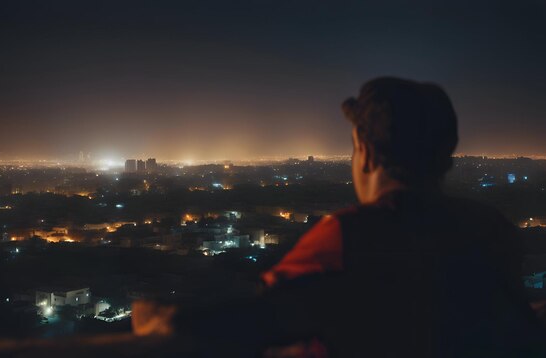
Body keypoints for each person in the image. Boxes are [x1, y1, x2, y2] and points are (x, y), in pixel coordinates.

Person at [133, 78, 545, 357]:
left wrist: (166, 320)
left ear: (364, 153)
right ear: (444, 156)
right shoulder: (492, 229)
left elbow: (256, 316)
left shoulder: (352, 235)